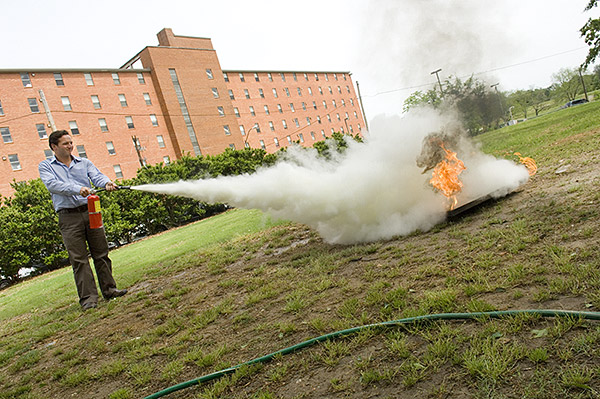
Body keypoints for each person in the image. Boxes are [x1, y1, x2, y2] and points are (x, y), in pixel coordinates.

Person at [39, 130, 127, 310]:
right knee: (79, 260)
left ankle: (110, 290)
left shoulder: (84, 163)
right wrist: (77, 189)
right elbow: (53, 185)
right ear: (54, 147)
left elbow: (97, 176)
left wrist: (106, 183)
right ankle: (88, 299)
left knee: (101, 253)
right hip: (68, 216)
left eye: (71, 143)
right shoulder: (46, 166)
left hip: (90, 211)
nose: (70, 146)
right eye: (65, 144)